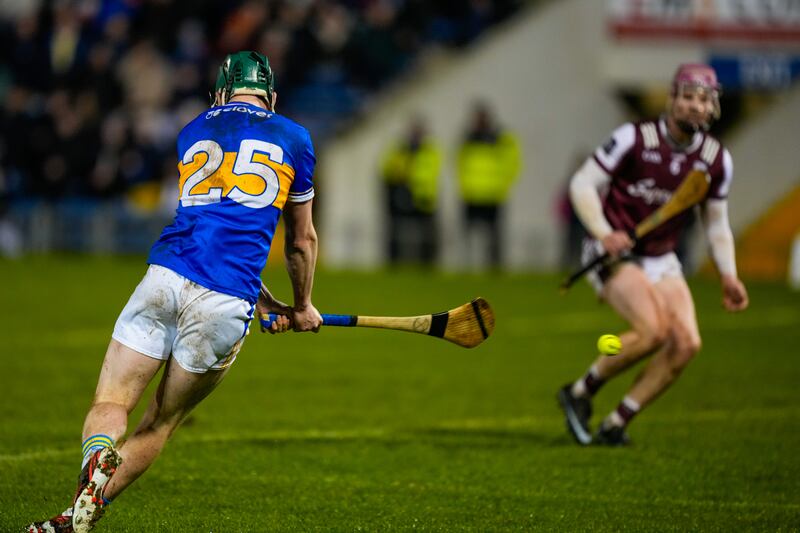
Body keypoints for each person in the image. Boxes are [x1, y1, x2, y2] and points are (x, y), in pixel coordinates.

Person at [27, 50, 323, 532]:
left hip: (165, 276)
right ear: (270, 96)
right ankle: (73, 521)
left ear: (221, 94)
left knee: (111, 402)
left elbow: (212, 226)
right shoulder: (294, 136)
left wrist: (268, 299)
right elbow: (301, 242)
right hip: (225, 301)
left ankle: (98, 456)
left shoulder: (193, 130)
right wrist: (303, 305)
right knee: (159, 422)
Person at [557, 64, 749, 446]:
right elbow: (582, 183)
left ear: (714, 107)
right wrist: (603, 232)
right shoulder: (635, 138)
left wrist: (729, 274)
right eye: (688, 97)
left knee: (687, 343)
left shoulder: (715, 159)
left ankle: (616, 422)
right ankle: (579, 393)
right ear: (672, 99)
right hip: (613, 252)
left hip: (662, 258)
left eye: (704, 99)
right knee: (653, 331)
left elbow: (715, 224)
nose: (696, 106)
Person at [457, 100, 521, 269]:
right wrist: (465, 185)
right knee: (469, 235)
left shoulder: (501, 138)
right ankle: (468, 266)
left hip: (493, 193)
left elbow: (513, 162)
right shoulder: (468, 138)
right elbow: (459, 163)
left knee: (494, 235)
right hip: (472, 193)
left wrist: (503, 184)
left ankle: (495, 266)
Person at [379, 116, 442, 265]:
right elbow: (387, 168)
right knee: (397, 232)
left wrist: (407, 174)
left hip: (423, 198)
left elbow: (430, 172)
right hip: (402, 195)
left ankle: (427, 263)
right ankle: (395, 262)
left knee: (426, 235)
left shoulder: (430, 151)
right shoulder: (400, 150)